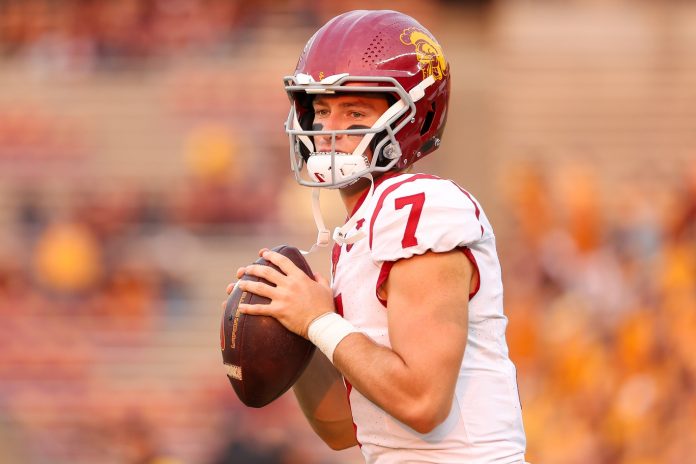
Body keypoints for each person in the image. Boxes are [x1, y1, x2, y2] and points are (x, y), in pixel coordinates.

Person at [228, 9, 527, 463]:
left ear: (413, 116)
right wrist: (297, 331)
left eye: (354, 112)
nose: (328, 132)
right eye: (322, 110)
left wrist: (319, 322)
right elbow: (342, 429)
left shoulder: (421, 204)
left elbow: (422, 402)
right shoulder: (362, 228)